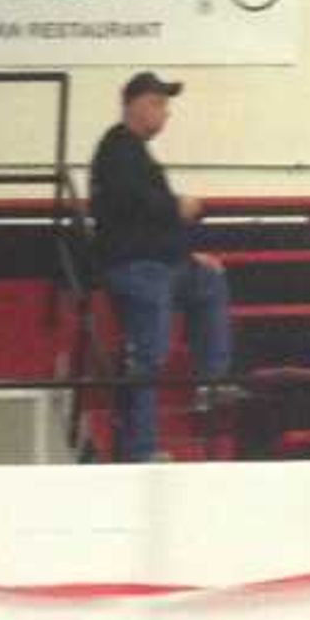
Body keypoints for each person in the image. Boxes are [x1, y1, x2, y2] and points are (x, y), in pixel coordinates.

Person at [92, 71, 234, 462]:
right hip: (137, 268)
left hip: (157, 264)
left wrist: (188, 257)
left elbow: (145, 221)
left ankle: (213, 379)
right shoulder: (117, 149)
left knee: (209, 281)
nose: (165, 114)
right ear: (135, 104)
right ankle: (142, 448)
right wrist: (176, 206)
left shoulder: (132, 152)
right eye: (158, 104)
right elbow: (133, 206)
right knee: (149, 355)